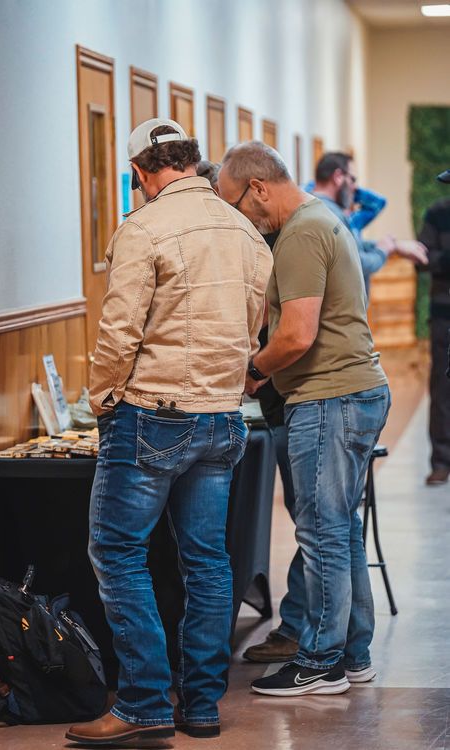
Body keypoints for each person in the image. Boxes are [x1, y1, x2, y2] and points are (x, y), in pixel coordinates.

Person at [66, 119, 272, 746]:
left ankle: (144, 704)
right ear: (192, 160)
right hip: (222, 417)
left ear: (139, 172)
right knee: (207, 563)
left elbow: (119, 330)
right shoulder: (245, 230)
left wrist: (103, 400)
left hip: (153, 412)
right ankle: (201, 706)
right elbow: (253, 328)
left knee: (118, 553)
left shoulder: (143, 227)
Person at [218, 141, 391, 697]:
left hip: (328, 398)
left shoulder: (300, 232)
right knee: (340, 530)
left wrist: (253, 371)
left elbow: (296, 335)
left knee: (321, 535)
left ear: (258, 188)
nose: (239, 218)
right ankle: (354, 654)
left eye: (235, 205)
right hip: (348, 393)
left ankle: (320, 660)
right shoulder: (321, 218)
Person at [312, 152, 428, 295]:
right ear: (338, 176)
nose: (355, 188)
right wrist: (382, 251)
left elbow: (353, 247)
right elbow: (356, 264)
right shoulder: (330, 214)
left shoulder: (319, 207)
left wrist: (393, 246)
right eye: (353, 179)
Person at [418, 198, 450, 485]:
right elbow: (422, 258)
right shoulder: (437, 213)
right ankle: (441, 460)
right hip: (444, 316)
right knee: (442, 387)